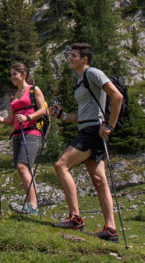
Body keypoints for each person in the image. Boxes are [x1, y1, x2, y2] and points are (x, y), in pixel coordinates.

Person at [49, 42, 124, 241]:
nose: (70, 59)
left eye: (73, 55)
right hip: (89, 128)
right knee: (99, 181)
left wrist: (110, 125)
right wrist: (63, 116)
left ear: (85, 58)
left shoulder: (93, 73)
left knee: (61, 165)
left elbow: (117, 97)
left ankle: (75, 218)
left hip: (92, 131)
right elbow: (84, 114)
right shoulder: (80, 80)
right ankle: (111, 230)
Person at [0, 62, 48, 215]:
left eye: (15, 74)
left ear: (23, 75)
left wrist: (28, 117)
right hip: (18, 135)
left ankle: (32, 205)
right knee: (25, 168)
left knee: (22, 167)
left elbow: (43, 110)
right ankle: (32, 205)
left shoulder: (34, 90)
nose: (12, 77)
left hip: (32, 132)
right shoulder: (14, 95)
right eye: (11, 74)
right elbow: (11, 120)